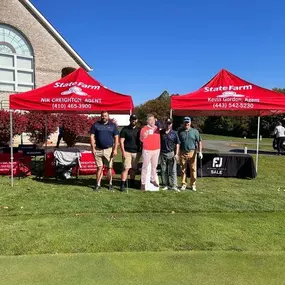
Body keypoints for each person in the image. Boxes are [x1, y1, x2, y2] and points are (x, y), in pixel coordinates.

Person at [90, 111, 119, 191]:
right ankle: (98, 184)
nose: (104, 117)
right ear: (101, 116)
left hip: (109, 150)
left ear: (108, 117)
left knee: (109, 167)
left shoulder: (112, 126)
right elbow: (92, 137)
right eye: (103, 116)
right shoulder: (96, 125)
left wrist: (115, 149)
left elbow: (116, 138)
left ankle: (110, 184)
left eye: (105, 116)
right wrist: (93, 148)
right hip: (98, 149)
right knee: (99, 167)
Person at [178, 117, 203, 192]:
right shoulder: (180, 131)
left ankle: (193, 184)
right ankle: (183, 184)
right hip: (182, 152)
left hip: (192, 152)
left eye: (188, 122)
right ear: (184, 123)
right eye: (185, 122)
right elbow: (177, 143)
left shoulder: (195, 131)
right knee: (183, 169)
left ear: (190, 123)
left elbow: (199, 142)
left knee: (193, 169)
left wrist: (200, 151)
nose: (187, 124)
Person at [119, 114, 142, 191]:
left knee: (133, 169)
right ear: (130, 120)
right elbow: (121, 141)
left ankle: (132, 183)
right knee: (126, 168)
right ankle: (122, 184)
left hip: (137, 152)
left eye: (135, 119)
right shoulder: (125, 129)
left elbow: (143, 140)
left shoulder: (139, 130)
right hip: (127, 151)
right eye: (132, 119)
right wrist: (123, 152)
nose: (133, 120)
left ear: (137, 120)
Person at [140, 114, 161, 191]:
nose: (152, 121)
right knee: (145, 167)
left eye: (153, 119)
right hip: (147, 150)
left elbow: (161, 126)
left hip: (156, 149)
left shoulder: (157, 128)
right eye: (150, 120)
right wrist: (144, 136)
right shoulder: (144, 129)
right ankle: (143, 183)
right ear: (147, 121)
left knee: (154, 166)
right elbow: (141, 139)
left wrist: (156, 121)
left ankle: (152, 179)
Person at [160, 118, 180, 192]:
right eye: (167, 123)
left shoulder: (174, 133)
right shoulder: (161, 132)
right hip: (163, 153)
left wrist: (176, 154)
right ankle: (165, 184)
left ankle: (174, 185)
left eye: (169, 123)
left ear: (171, 124)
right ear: (164, 123)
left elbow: (177, 143)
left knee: (173, 170)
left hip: (171, 153)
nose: (168, 125)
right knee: (164, 170)